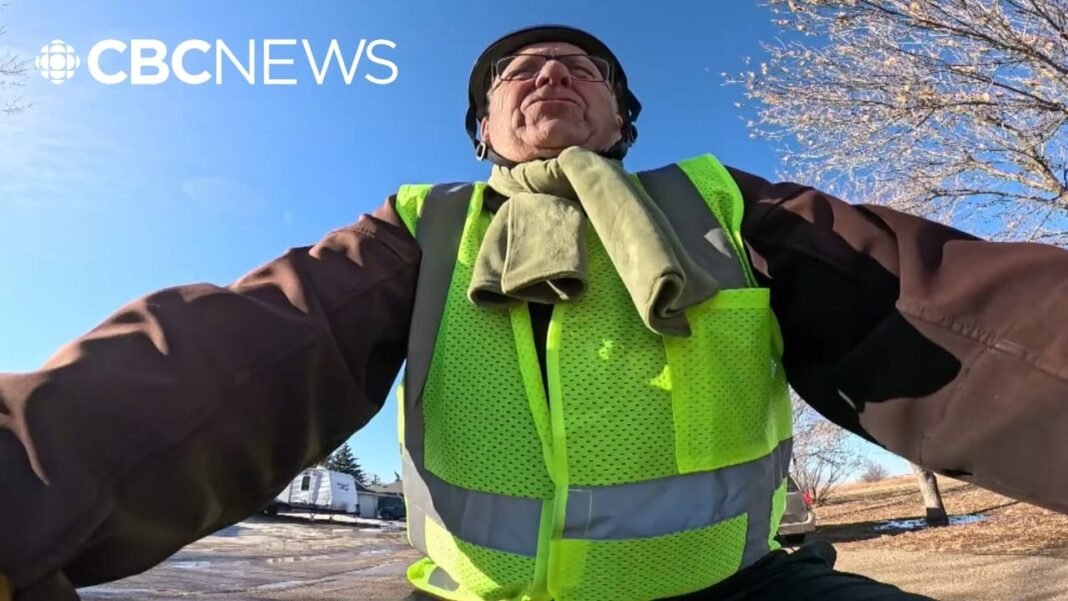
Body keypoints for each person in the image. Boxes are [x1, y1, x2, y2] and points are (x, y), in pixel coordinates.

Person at [1, 24, 1067, 601]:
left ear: (621, 119)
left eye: (583, 68)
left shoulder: (723, 206)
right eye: (519, 68)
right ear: (485, 130)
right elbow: (245, 352)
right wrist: (22, 473)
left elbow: (950, 318)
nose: (549, 68)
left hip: (736, 597)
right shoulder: (424, 226)